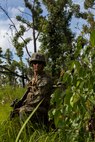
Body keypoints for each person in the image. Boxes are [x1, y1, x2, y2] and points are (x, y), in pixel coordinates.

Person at [10, 52, 53, 127]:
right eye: (34, 63)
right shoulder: (33, 80)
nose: (36, 65)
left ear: (43, 65)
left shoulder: (45, 80)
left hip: (42, 110)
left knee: (23, 111)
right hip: (34, 108)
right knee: (14, 112)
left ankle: (27, 134)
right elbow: (27, 95)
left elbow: (38, 100)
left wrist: (23, 107)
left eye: (39, 63)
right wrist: (19, 104)